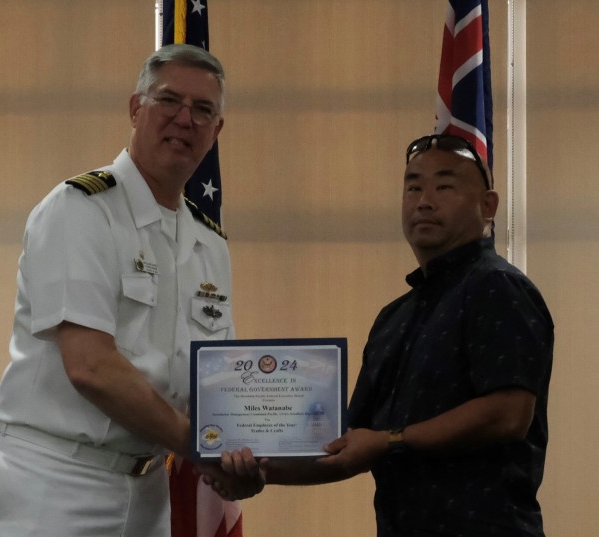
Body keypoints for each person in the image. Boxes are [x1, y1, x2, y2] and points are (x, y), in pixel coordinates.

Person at [0, 43, 260, 537]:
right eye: (169, 101)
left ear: (216, 132)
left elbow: (216, 380)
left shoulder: (208, 243)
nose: (184, 119)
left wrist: (246, 447)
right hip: (54, 480)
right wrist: (206, 446)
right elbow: (91, 367)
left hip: (147, 489)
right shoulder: (81, 210)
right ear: (135, 109)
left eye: (203, 110)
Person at [219, 134, 554, 537]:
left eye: (444, 186)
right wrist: (259, 470)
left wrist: (391, 441)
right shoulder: (395, 317)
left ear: (488, 206)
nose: (424, 200)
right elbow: (347, 447)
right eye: (413, 186)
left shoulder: (497, 287)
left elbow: (509, 413)